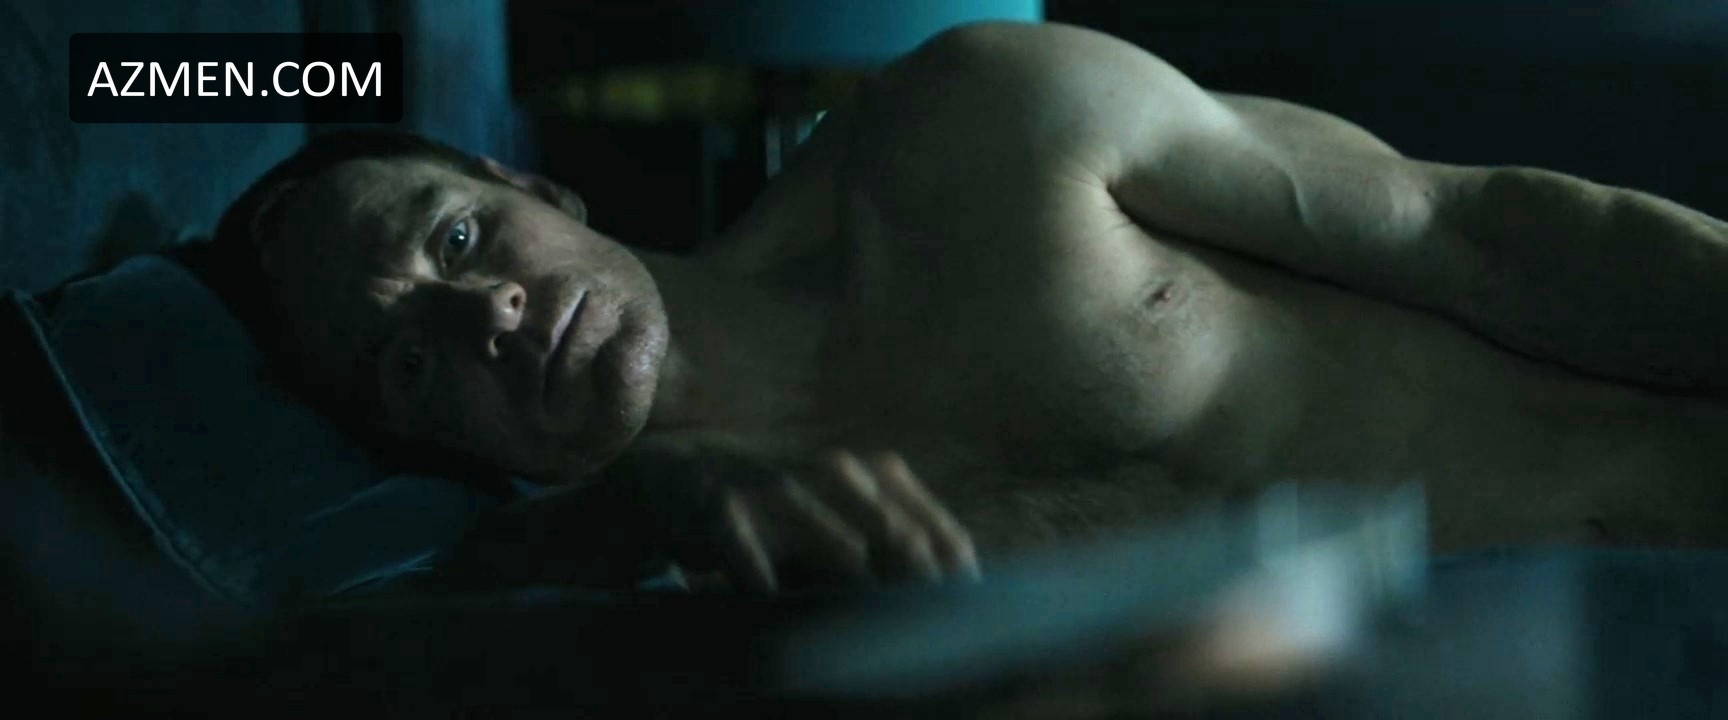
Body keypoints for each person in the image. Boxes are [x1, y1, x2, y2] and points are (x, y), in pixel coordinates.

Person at [203, 21, 1728, 594]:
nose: (484, 318)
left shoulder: (969, 133)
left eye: (462, 238)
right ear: (423, 450)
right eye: (408, 365)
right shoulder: (634, 604)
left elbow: (1478, 231)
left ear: (536, 187)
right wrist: (626, 519)